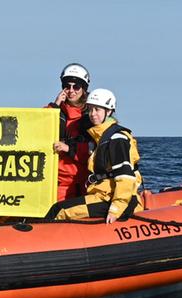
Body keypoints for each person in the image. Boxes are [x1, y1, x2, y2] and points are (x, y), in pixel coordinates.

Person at [50, 88, 143, 222]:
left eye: (97, 110)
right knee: (60, 207)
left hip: (112, 200)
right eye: (90, 109)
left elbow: (125, 176)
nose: (93, 114)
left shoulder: (116, 138)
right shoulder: (100, 137)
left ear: (108, 111)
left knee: (59, 210)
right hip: (103, 195)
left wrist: (116, 208)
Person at [47, 62, 93, 203]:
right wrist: (55, 106)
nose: (71, 91)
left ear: (84, 89)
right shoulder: (54, 111)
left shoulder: (93, 114)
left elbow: (97, 148)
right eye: (67, 86)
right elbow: (40, 127)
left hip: (84, 181)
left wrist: (68, 148)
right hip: (57, 181)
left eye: (76, 87)